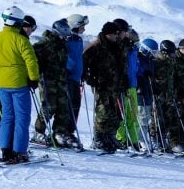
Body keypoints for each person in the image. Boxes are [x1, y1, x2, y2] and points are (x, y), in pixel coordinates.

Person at [0, 6, 40, 164]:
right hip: (19, 84)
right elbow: (31, 61)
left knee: (7, 116)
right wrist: (33, 79)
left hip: (2, 83)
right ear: (19, 22)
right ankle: (19, 152)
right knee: (22, 118)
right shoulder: (21, 40)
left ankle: (5, 150)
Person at [82, 19, 131, 152]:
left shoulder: (117, 47)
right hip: (102, 85)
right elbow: (83, 63)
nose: (116, 36)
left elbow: (122, 66)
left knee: (115, 114)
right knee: (103, 113)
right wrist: (89, 78)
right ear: (107, 34)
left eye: (117, 33)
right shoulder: (96, 47)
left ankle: (110, 137)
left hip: (117, 85)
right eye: (114, 34)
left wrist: (124, 80)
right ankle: (99, 139)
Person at [0, 15, 36, 140]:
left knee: (9, 109)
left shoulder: (18, 37)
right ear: (24, 26)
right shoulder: (17, 38)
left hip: (9, 78)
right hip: (2, 77)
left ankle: (5, 134)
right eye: (31, 28)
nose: (32, 31)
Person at [31, 19, 74, 147]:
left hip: (60, 80)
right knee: (48, 106)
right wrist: (39, 68)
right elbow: (33, 58)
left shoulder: (62, 45)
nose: (66, 36)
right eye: (64, 32)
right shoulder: (44, 44)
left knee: (63, 107)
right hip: (47, 80)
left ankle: (58, 133)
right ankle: (39, 132)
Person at [153, 39, 184, 153]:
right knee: (158, 119)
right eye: (170, 53)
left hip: (170, 96)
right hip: (159, 96)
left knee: (172, 120)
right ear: (164, 52)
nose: (172, 55)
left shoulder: (171, 62)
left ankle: (173, 143)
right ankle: (157, 141)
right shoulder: (156, 63)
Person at [65, 13, 88, 147]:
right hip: (67, 78)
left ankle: (70, 132)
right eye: (82, 27)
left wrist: (82, 71)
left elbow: (79, 58)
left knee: (75, 106)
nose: (84, 30)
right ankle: (62, 132)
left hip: (76, 79)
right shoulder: (66, 40)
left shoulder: (78, 40)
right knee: (67, 107)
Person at [116, 28, 141, 149]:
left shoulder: (134, 51)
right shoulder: (125, 49)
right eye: (135, 40)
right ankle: (121, 138)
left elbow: (135, 68)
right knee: (123, 113)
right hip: (123, 86)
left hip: (132, 86)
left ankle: (133, 139)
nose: (137, 43)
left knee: (133, 114)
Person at [136, 38, 157, 150]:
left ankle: (143, 138)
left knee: (147, 117)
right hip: (141, 92)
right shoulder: (139, 59)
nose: (153, 55)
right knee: (142, 117)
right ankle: (140, 140)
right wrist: (143, 77)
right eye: (152, 52)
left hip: (148, 91)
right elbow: (138, 74)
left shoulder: (150, 61)